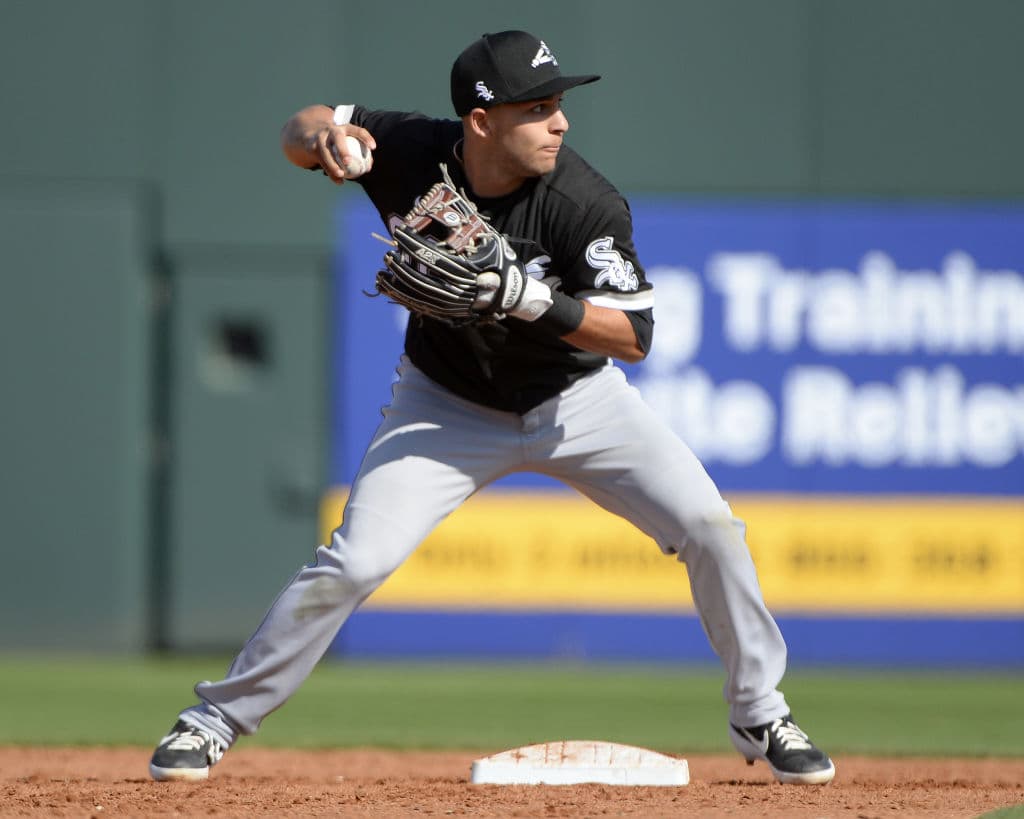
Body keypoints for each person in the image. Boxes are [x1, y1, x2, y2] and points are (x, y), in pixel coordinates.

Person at [149, 29, 835, 786]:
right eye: (538, 107)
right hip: (444, 405)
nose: (560, 122)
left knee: (710, 526)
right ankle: (213, 719)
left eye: (559, 105)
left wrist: (528, 297)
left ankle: (760, 709)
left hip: (577, 400)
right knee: (355, 560)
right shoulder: (412, 150)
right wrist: (327, 137)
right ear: (482, 121)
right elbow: (300, 126)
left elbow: (634, 334)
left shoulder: (582, 200)